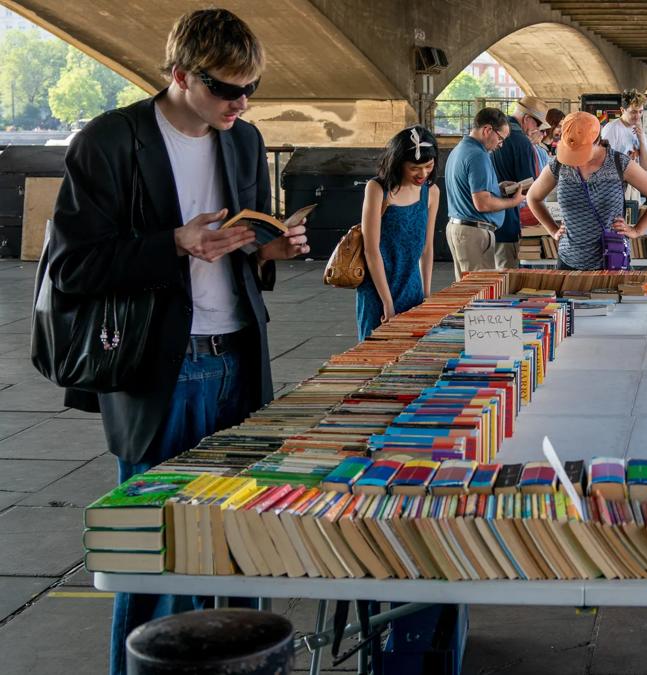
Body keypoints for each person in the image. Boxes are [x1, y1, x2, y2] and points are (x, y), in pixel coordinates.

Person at [43, 10, 309, 674]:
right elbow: (72, 267)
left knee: (245, 542)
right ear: (181, 75)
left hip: (238, 360)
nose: (241, 104)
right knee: (155, 551)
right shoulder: (110, 141)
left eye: (252, 90)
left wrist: (268, 248)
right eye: (227, 90)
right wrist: (173, 244)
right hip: (160, 366)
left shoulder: (243, 140)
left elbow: (240, 246)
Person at [525, 111, 647, 270]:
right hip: (569, 261)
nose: (576, 159)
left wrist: (637, 230)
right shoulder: (560, 164)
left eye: (581, 151)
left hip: (610, 260)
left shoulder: (618, 163)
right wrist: (552, 230)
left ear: (597, 141)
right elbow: (533, 197)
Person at [356, 126, 439, 340]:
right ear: (398, 163)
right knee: (375, 353)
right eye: (414, 168)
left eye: (428, 166)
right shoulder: (377, 189)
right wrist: (387, 303)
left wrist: (427, 294)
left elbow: (427, 248)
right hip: (378, 289)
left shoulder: (431, 192)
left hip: (412, 288)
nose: (422, 174)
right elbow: (371, 250)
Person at [443, 107, 525, 280]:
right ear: (487, 130)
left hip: (460, 228)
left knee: (466, 289)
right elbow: (483, 203)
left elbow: (469, 189)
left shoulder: (460, 149)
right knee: (479, 292)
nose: (500, 145)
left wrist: (497, 187)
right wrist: (514, 201)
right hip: (473, 233)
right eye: (501, 138)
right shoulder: (478, 155)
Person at [491, 95, 551, 269]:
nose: (537, 129)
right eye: (538, 124)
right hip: (510, 220)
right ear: (527, 119)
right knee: (507, 277)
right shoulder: (521, 141)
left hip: (489, 220)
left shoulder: (496, 133)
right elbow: (532, 187)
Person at [600, 89, 647, 171]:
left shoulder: (638, 129)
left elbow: (646, 167)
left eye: (640, 112)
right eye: (633, 112)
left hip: (637, 179)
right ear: (622, 110)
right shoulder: (612, 129)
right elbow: (603, 163)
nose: (638, 116)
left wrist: (641, 139)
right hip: (620, 181)